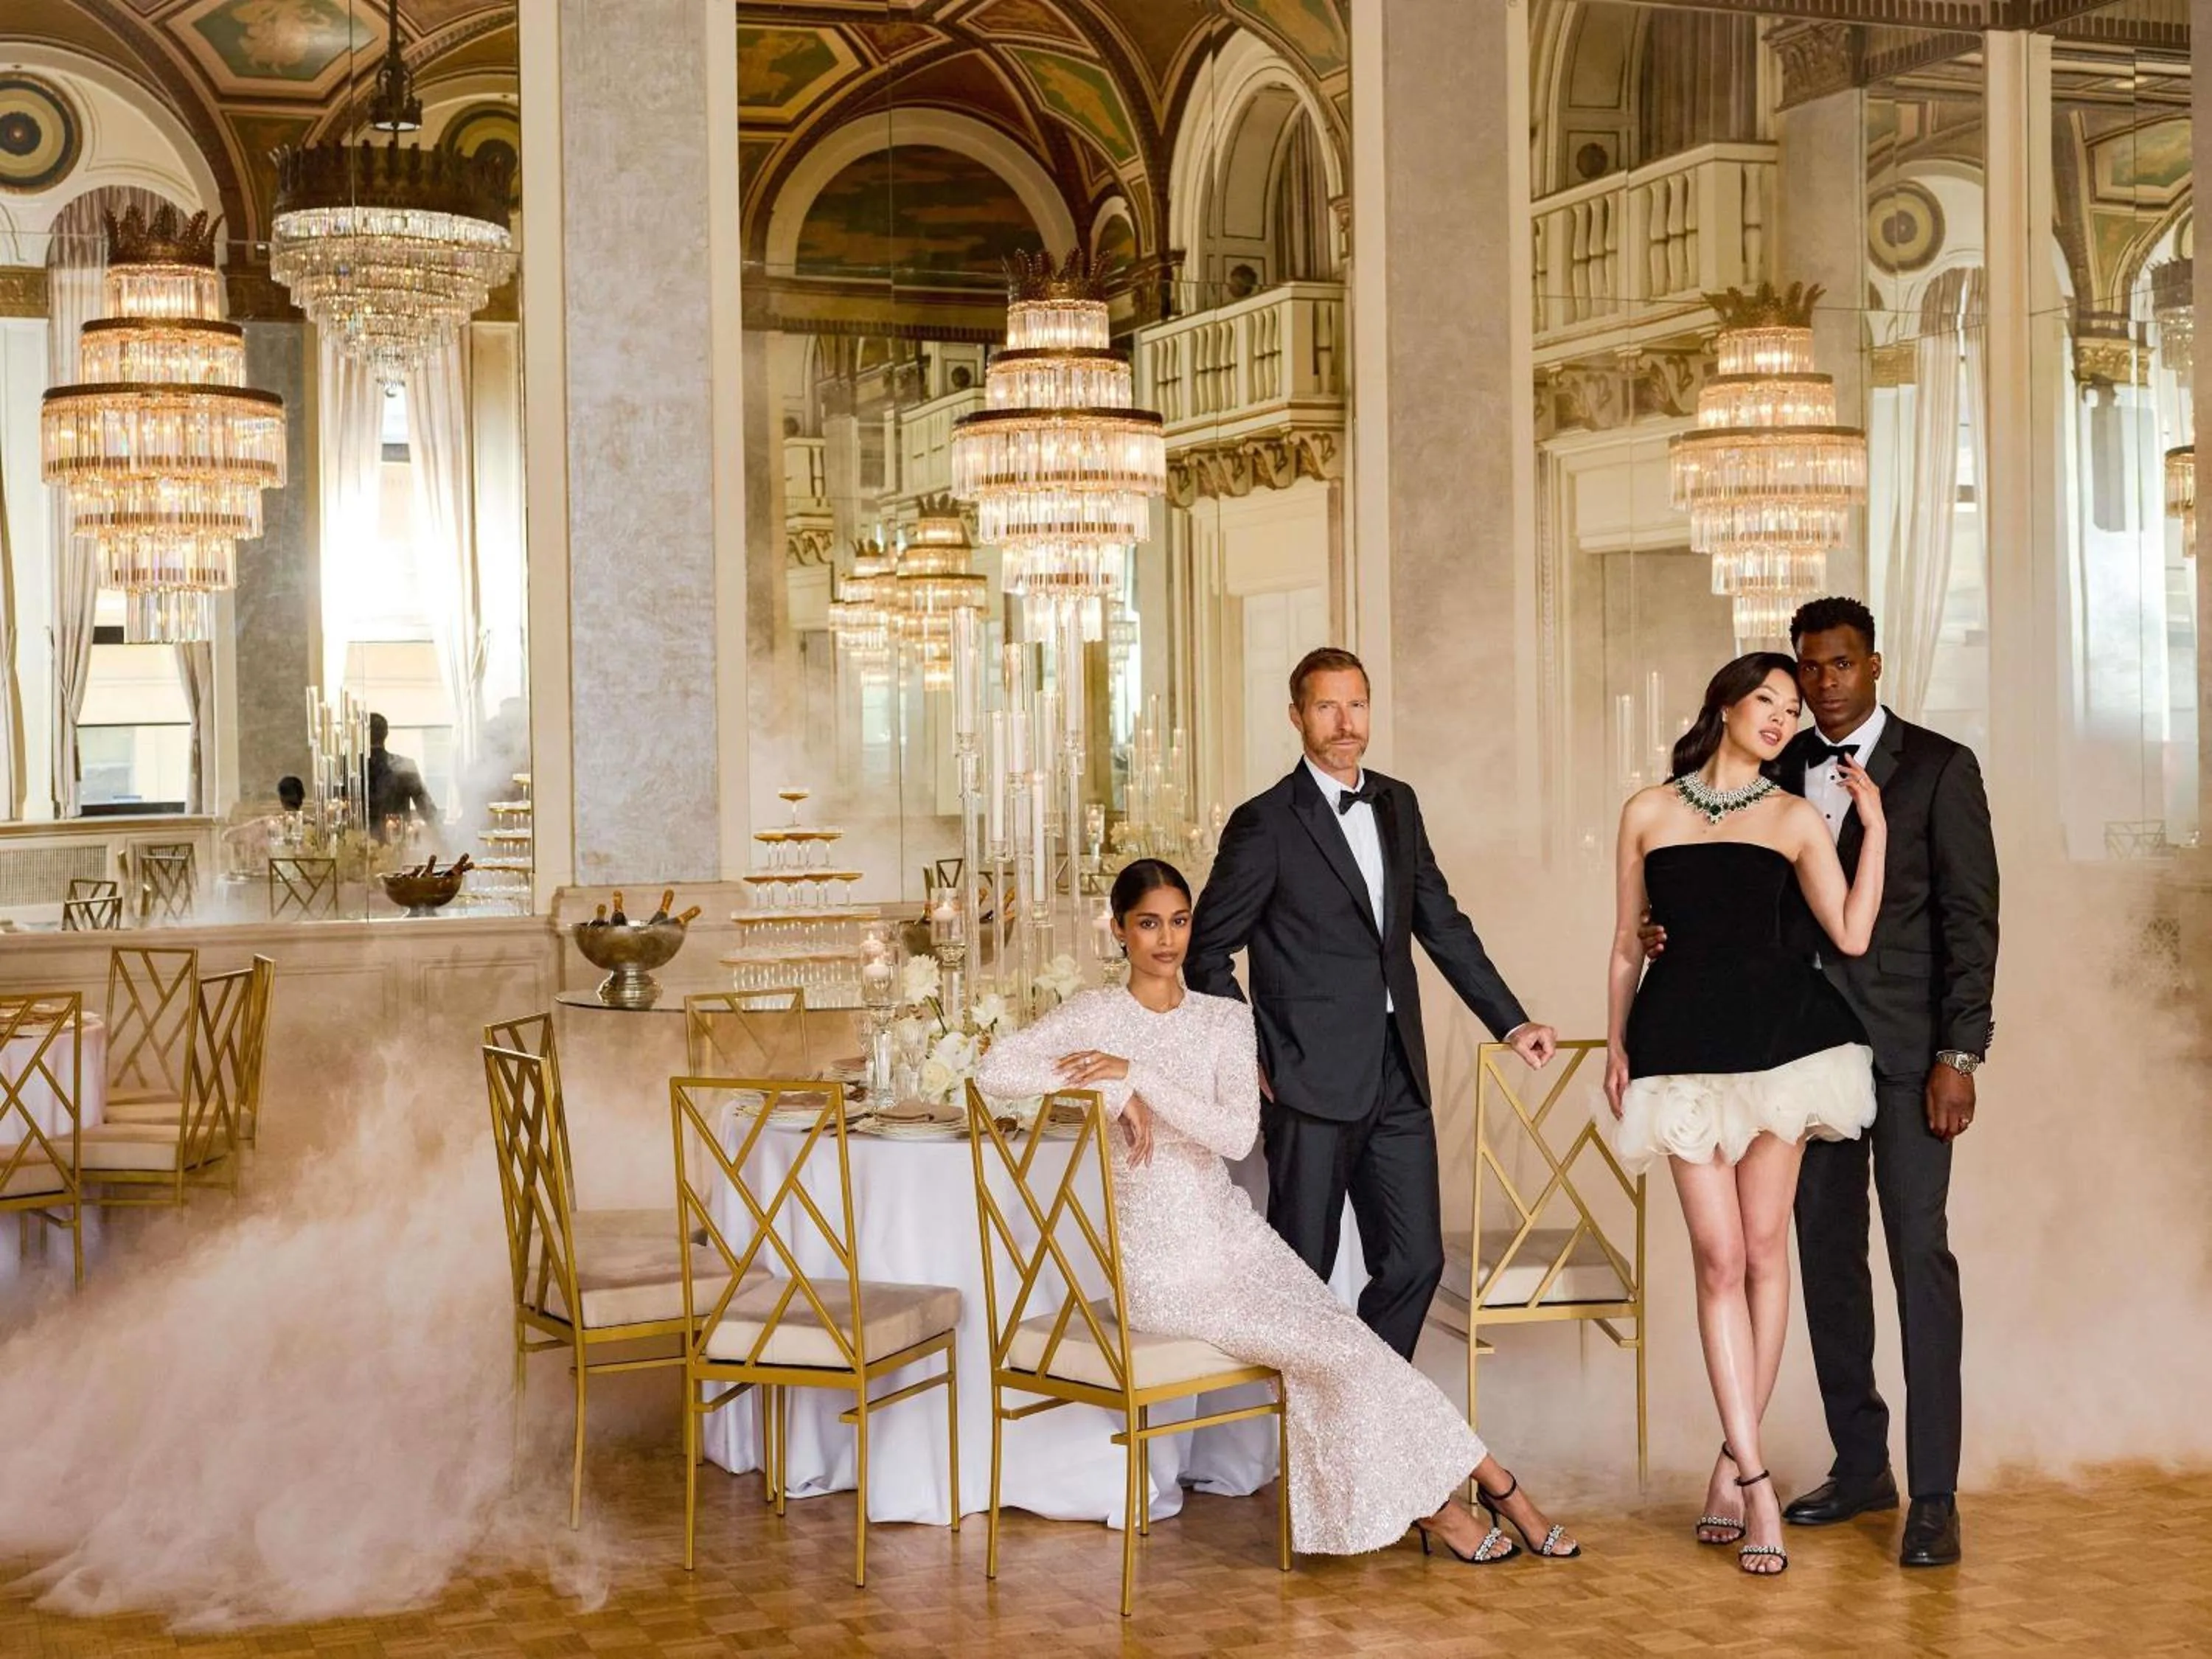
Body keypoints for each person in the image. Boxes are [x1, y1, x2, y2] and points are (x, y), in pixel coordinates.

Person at [975, 859, 1579, 1564]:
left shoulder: (1225, 1020)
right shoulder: (1094, 1015)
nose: (1166, 941)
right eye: (1147, 924)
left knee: (1355, 1348)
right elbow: (993, 1071)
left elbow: (1235, 1135)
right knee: (1339, 1354)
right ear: (1118, 930)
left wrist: (1137, 1078)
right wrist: (1111, 1091)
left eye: (1178, 921)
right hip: (1164, 1271)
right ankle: (1466, 1502)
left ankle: (1487, 1488)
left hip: (1237, 1243)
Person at [1649, 599, 1997, 1568]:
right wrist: (1661, 932)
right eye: (1810, 669)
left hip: (1909, 1059)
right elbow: (1721, 890)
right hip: (1800, 1059)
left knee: (1918, 1257)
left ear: (1875, 665)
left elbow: (1972, 926)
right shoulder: (1779, 773)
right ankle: (1862, 1464)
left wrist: (1958, 1055)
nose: (1826, 682)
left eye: (1842, 663)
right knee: (1824, 1260)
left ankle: (1934, 1493)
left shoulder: (1938, 769)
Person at [1186, 647, 1557, 1362]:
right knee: (1300, 1272)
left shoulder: (1398, 801)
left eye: (1356, 704)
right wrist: (1251, 1055)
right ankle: (1300, 1445)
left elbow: (1441, 923)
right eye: (1326, 706)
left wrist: (1510, 1020)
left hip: (1397, 1072)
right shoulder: (1265, 822)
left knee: (1417, 1262)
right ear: (1296, 717)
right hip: (1308, 1078)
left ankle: (1363, 1417)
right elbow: (1207, 951)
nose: (1344, 721)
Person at [1601, 651, 1886, 1576]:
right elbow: (1623, 945)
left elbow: (1848, 933)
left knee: (1767, 1254)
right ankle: (1758, 1474)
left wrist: (1872, 828)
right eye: (1765, 699)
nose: (1780, 715)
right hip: (1680, 1045)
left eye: (1791, 706)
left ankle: (1736, 1465)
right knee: (1718, 1258)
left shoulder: (1797, 816)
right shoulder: (1648, 810)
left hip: (1783, 1048)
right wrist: (1614, 1046)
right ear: (1723, 703)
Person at [366, 713, 435, 841]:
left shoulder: (349, 769)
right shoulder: (404, 766)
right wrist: (447, 842)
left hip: (357, 847)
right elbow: (427, 809)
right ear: (386, 733)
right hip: (398, 845)